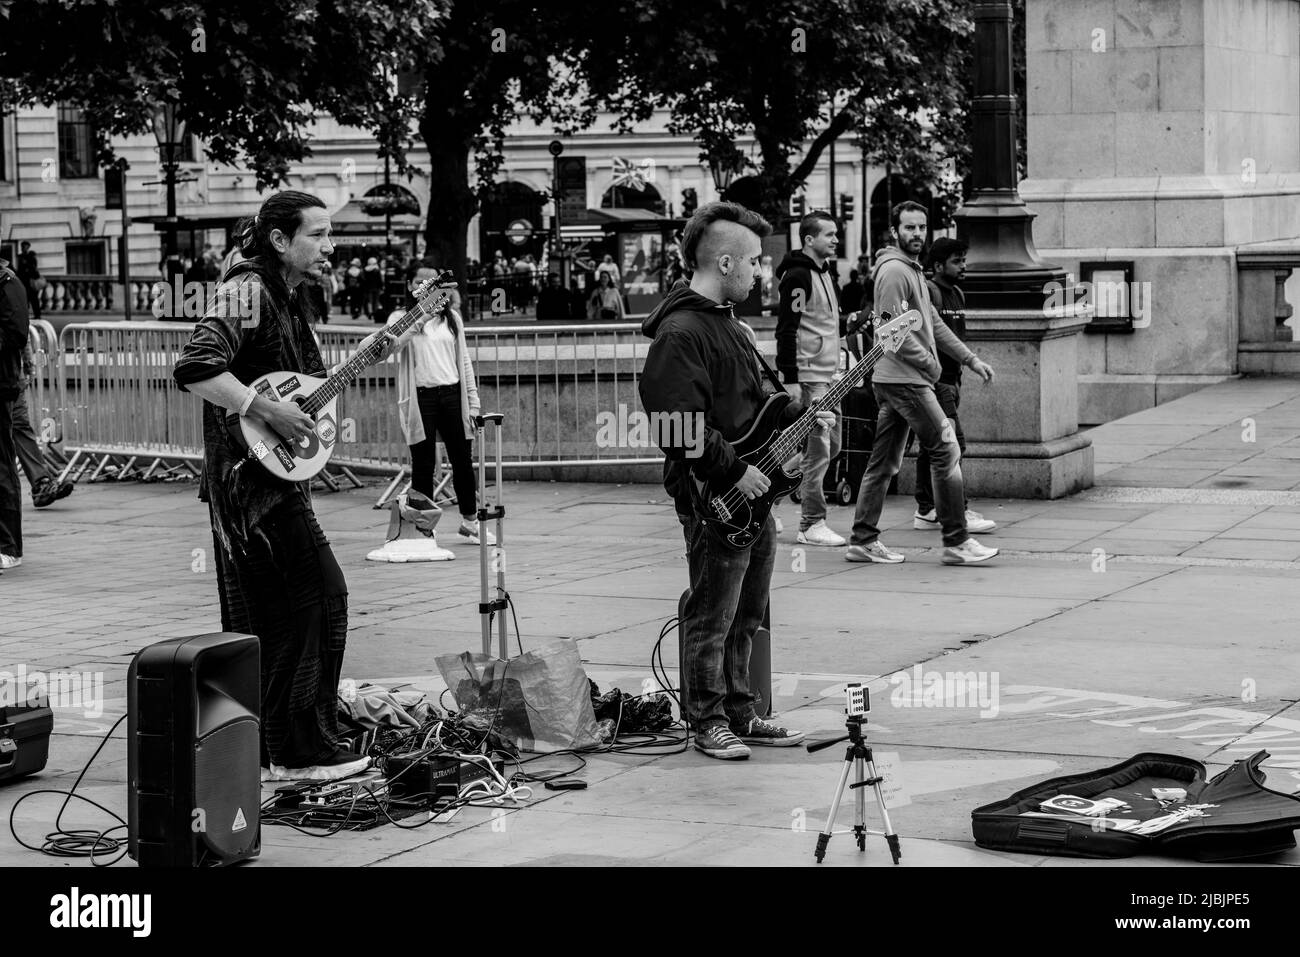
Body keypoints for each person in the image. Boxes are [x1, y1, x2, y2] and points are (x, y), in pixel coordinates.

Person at [173, 190, 427, 780]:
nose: (330, 246)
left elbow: (302, 388)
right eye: (318, 234)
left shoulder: (285, 297)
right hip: (251, 490)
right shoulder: (247, 290)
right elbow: (197, 365)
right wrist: (266, 408)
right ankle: (300, 748)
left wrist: (366, 354)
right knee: (321, 597)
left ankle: (276, 747)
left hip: (265, 481)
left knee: (277, 616)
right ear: (280, 240)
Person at [640, 201, 830, 760]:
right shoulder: (681, 332)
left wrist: (796, 421)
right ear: (724, 262)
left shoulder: (728, 325)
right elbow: (677, 425)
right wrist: (735, 471)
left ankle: (742, 712)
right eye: (752, 261)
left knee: (748, 611)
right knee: (711, 611)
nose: (760, 271)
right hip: (714, 494)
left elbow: (751, 406)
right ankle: (706, 719)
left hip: (751, 489)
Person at [846, 201, 998, 567]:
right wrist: (929, 364)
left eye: (921, 227)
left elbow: (932, 323)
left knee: (883, 463)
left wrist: (969, 359)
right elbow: (887, 330)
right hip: (905, 381)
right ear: (894, 231)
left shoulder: (912, 271)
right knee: (946, 451)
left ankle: (862, 540)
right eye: (909, 228)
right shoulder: (896, 272)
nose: (917, 234)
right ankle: (956, 540)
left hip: (899, 378)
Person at [389, 275, 494, 545]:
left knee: (462, 460)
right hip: (421, 397)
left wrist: (473, 401)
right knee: (423, 463)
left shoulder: (452, 318)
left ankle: (471, 522)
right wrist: (421, 316)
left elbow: (465, 361)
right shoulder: (401, 317)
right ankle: (425, 527)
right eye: (421, 284)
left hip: (452, 395)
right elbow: (394, 344)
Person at [912, 237, 995, 535]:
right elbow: (928, 334)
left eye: (964, 260)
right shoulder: (931, 293)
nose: (963, 266)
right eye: (956, 261)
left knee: (931, 446)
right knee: (953, 443)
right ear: (937, 266)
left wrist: (968, 364)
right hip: (936, 382)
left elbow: (954, 337)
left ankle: (926, 509)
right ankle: (958, 509)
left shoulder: (957, 293)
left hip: (953, 381)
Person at [775, 211, 848, 548]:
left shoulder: (822, 272)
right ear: (808, 239)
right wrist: (790, 377)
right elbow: (787, 328)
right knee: (818, 452)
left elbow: (825, 323)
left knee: (829, 448)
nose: (835, 239)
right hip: (811, 378)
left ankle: (765, 493)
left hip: (829, 375)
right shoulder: (799, 276)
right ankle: (811, 522)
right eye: (829, 234)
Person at [12, 341, 73, 508]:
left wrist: (28, 364)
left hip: (10, 375)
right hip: (10, 374)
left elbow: (21, 330)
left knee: (21, 427)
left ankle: (41, 483)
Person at [1, 254, 30, 572]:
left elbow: (16, 334)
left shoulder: (8, 283)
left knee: (3, 466)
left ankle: (9, 546)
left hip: (2, 387)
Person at [16, 242, 41, 322]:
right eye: (23, 247)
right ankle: (25, 315)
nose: (23, 248)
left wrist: (27, 264)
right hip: (23, 282)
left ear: (28, 247)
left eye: (25, 247)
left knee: (34, 300)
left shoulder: (31, 256)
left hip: (30, 282)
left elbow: (34, 269)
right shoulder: (20, 257)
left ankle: (37, 315)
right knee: (24, 300)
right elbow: (19, 271)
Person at [363, 256, 384, 321]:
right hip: (376, 288)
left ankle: (369, 313)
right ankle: (374, 313)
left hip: (368, 288)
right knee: (375, 302)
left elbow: (364, 280)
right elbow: (380, 280)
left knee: (369, 301)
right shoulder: (377, 270)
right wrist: (381, 287)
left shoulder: (365, 270)